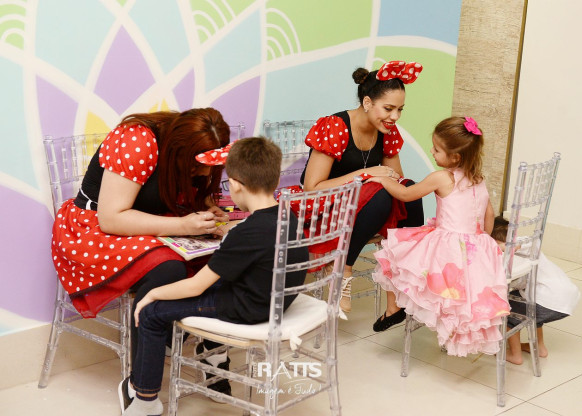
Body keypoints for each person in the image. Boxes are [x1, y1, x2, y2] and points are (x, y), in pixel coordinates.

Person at [118, 137, 309, 416]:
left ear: (236, 185)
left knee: (151, 312)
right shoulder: (287, 214)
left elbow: (196, 287)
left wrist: (152, 294)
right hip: (276, 300)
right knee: (212, 279)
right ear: (275, 178)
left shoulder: (247, 232)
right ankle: (206, 356)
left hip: (249, 308)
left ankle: (144, 401)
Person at [51, 108, 231, 366]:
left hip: (149, 221)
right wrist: (182, 225)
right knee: (167, 267)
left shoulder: (181, 145)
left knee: (226, 256)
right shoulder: (135, 140)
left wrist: (204, 208)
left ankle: (211, 350)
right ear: (178, 151)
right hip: (95, 229)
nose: (203, 174)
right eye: (196, 167)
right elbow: (111, 219)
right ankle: (143, 374)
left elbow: (180, 189)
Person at [371, 116, 510, 356]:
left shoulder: (442, 177)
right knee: (444, 284)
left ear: (454, 157)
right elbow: (489, 214)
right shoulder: (479, 179)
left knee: (394, 256)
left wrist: (383, 179)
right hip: (475, 246)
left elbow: (406, 194)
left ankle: (394, 307)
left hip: (448, 246)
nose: (431, 152)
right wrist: (481, 243)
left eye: (436, 149)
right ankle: (445, 325)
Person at [299, 60, 425, 323]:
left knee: (409, 190)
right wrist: (366, 174)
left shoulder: (387, 131)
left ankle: (404, 273)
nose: (395, 117)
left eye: (400, 110)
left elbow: (396, 179)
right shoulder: (335, 125)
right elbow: (313, 188)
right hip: (324, 206)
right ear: (367, 102)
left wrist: (383, 179)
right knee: (381, 192)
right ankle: (342, 268)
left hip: (361, 206)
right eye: (388, 109)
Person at [491, 216, 580, 365]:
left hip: (550, 300)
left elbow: (532, 242)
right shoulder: (516, 250)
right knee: (528, 306)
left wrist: (507, 247)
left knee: (506, 309)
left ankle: (515, 355)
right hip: (565, 298)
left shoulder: (523, 245)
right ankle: (539, 347)